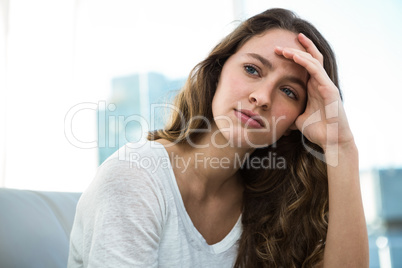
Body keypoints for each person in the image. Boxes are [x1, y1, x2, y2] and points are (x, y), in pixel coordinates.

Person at [68, 8, 369, 267]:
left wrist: (341, 147)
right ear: (218, 71)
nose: (262, 97)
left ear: (296, 120)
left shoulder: (272, 202)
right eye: (252, 69)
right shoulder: (135, 178)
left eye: (289, 91)